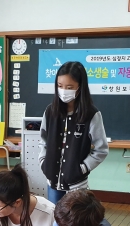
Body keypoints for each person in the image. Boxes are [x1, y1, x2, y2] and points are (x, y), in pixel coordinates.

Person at [38, 61, 109, 204]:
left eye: (69, 87)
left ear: (80, 87)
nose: (63, 90)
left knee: (74, 224)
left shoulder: (91, 115)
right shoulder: (51, 111)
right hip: (53, 183)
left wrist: (82, 168)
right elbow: (43, 141)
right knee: (55, 223)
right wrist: (43, 162)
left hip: (76, 185)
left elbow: (101, 150)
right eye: (60, 86)